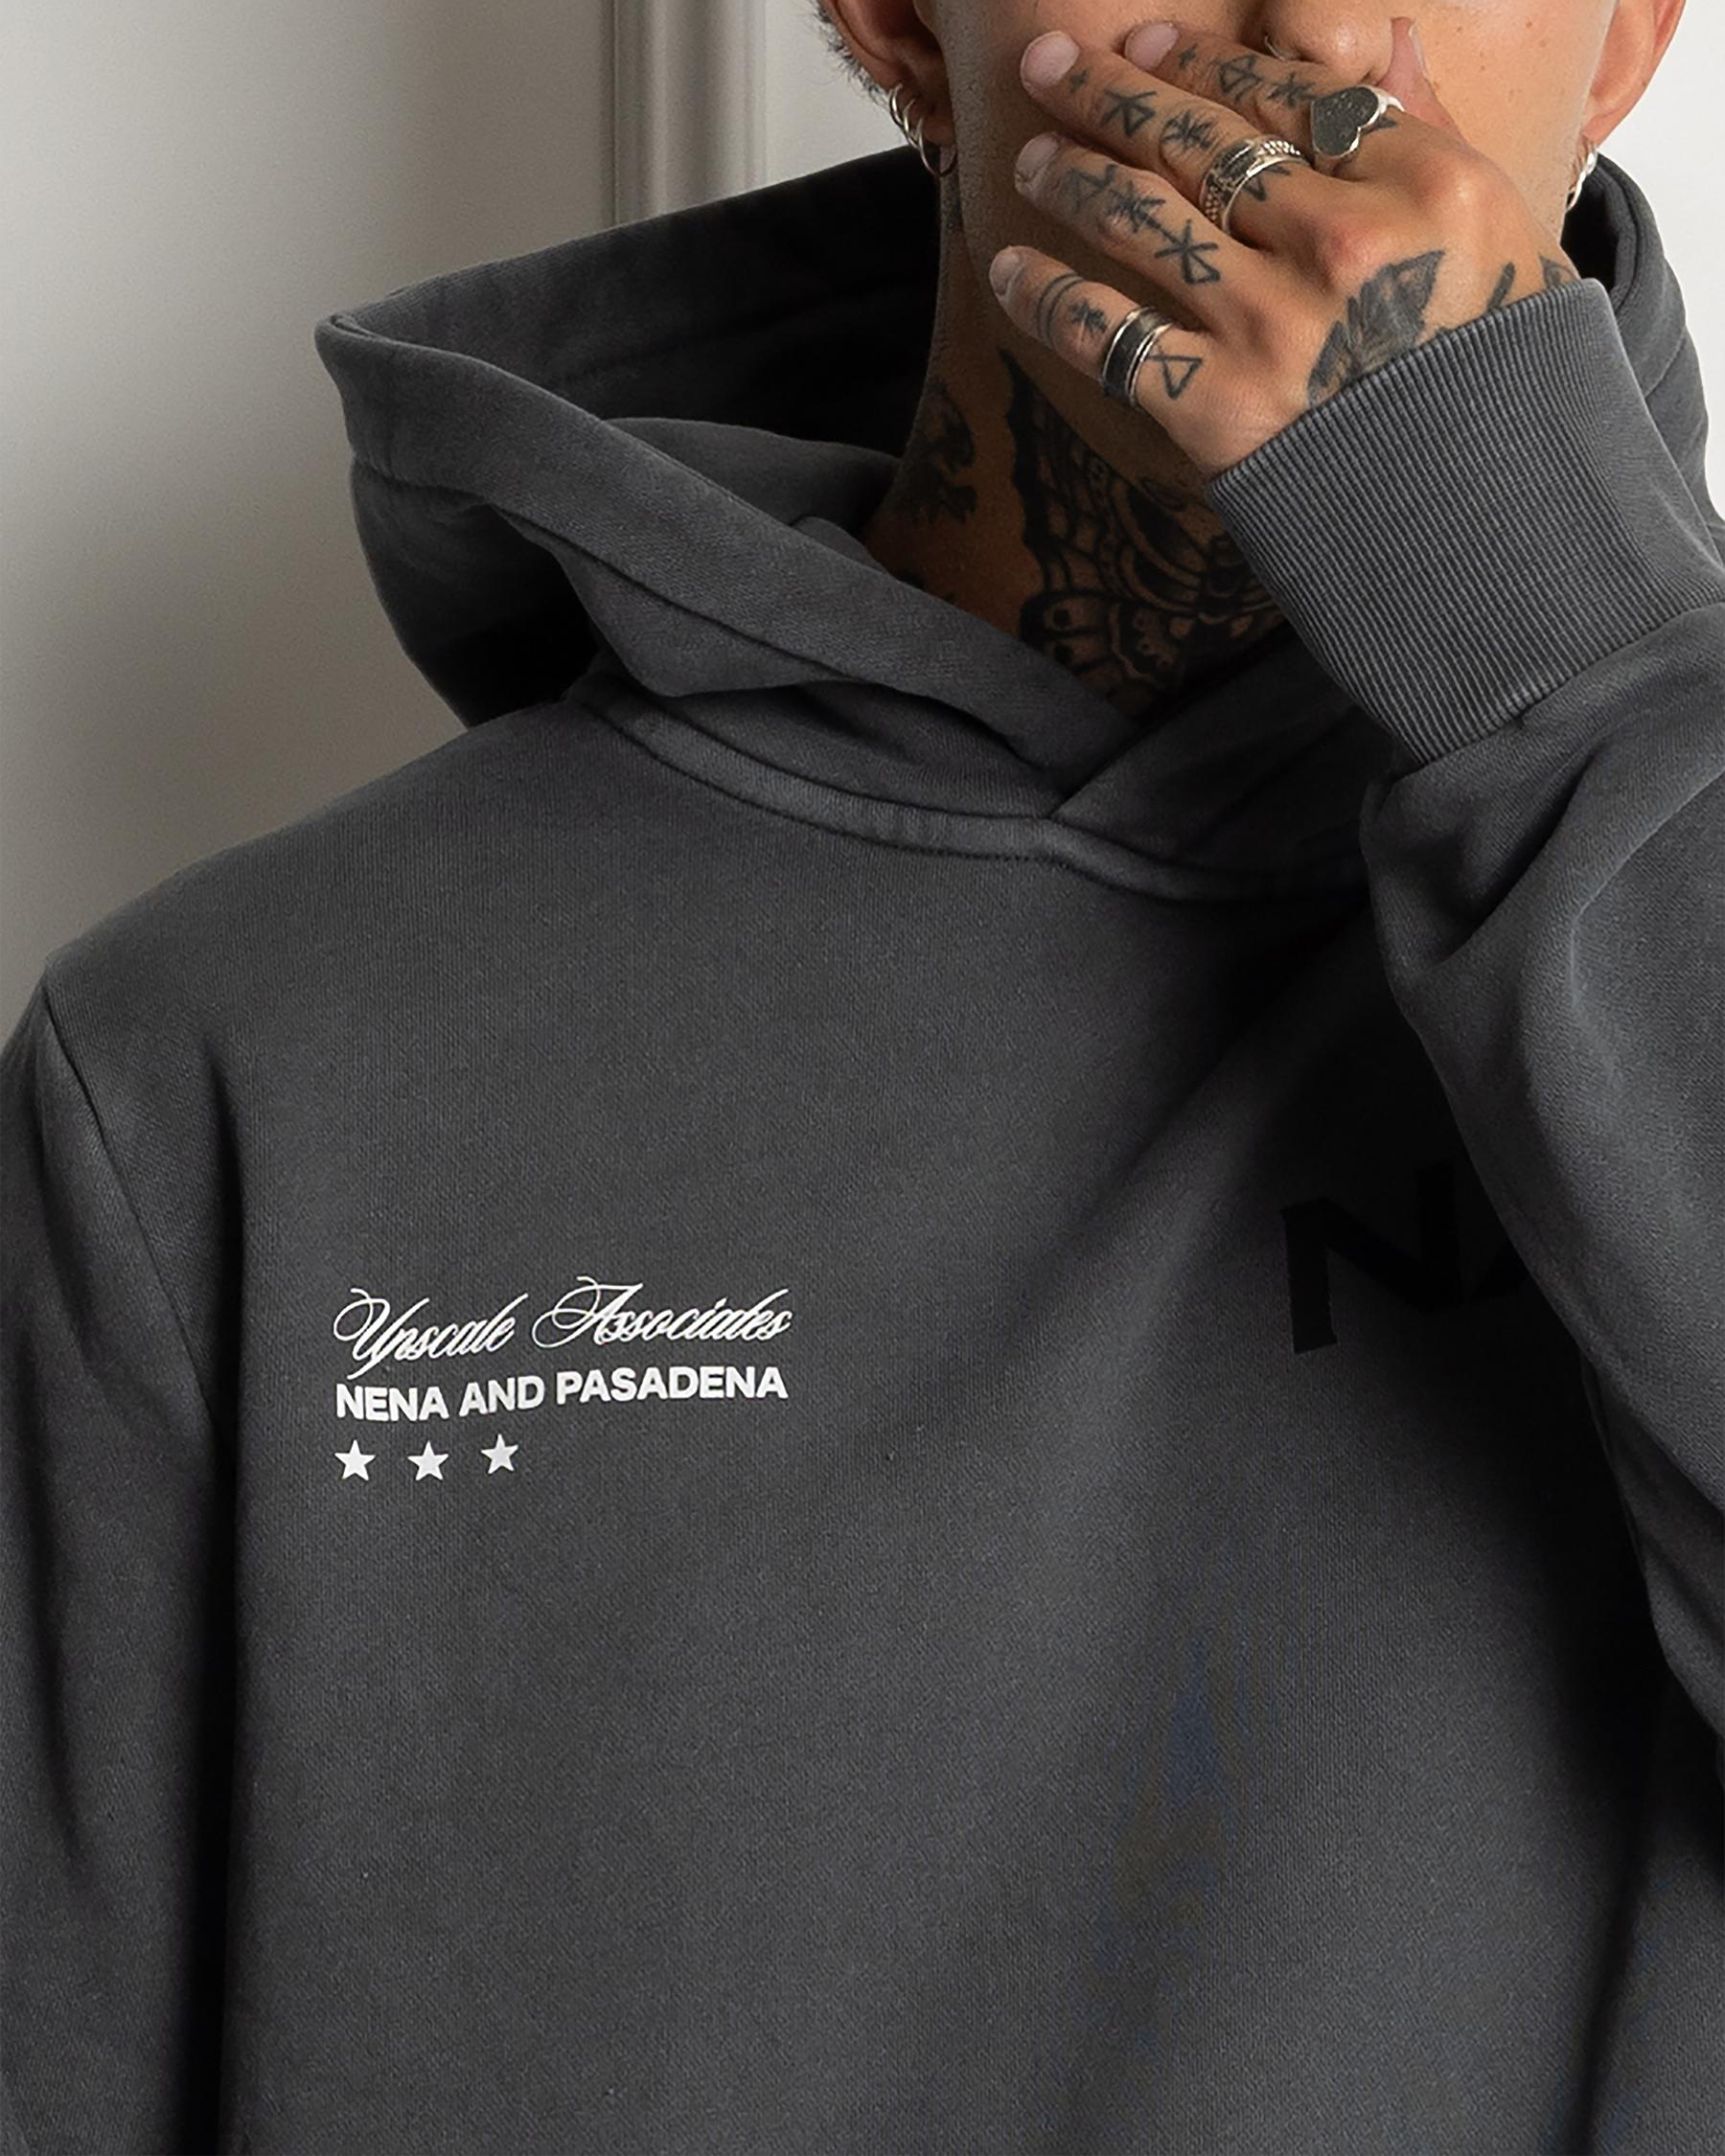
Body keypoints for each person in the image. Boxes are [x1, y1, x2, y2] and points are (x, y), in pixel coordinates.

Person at [3, 0, 1720, 2145]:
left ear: (1628, 40)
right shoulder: (230, 1074)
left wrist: (1555, 643)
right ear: (897, 15)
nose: (1315, 29)